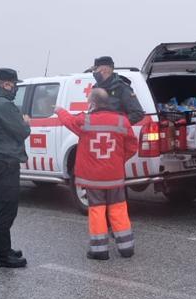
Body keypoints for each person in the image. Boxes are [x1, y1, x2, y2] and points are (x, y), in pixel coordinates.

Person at [56, 89, 140, 260]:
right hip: (114, 176)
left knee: (97, 211)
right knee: (118, 209)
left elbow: (69, 121)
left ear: (92, 104)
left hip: (93, 178)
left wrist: (59, 110)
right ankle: (126, 248)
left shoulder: (85, 120)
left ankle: (99, 250)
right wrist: (117, 160)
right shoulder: (121, 121)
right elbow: (132, 146)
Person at [0, 68, 31, 268]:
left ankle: (3, 249)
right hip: (6, 161)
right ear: (6, 84)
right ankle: (2, 257)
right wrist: (26, 122)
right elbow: (21, 131)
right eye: (14, 85)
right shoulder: (4, 105)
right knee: (7, 210)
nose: (15, 89)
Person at [91, 56, 145, 125]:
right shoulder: (95, 88)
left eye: (96, 70)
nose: (94, 73)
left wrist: (117, 123)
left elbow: (138, 113)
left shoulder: (122, 88)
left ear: (104, 70)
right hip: (97, 133)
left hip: (117, 135)